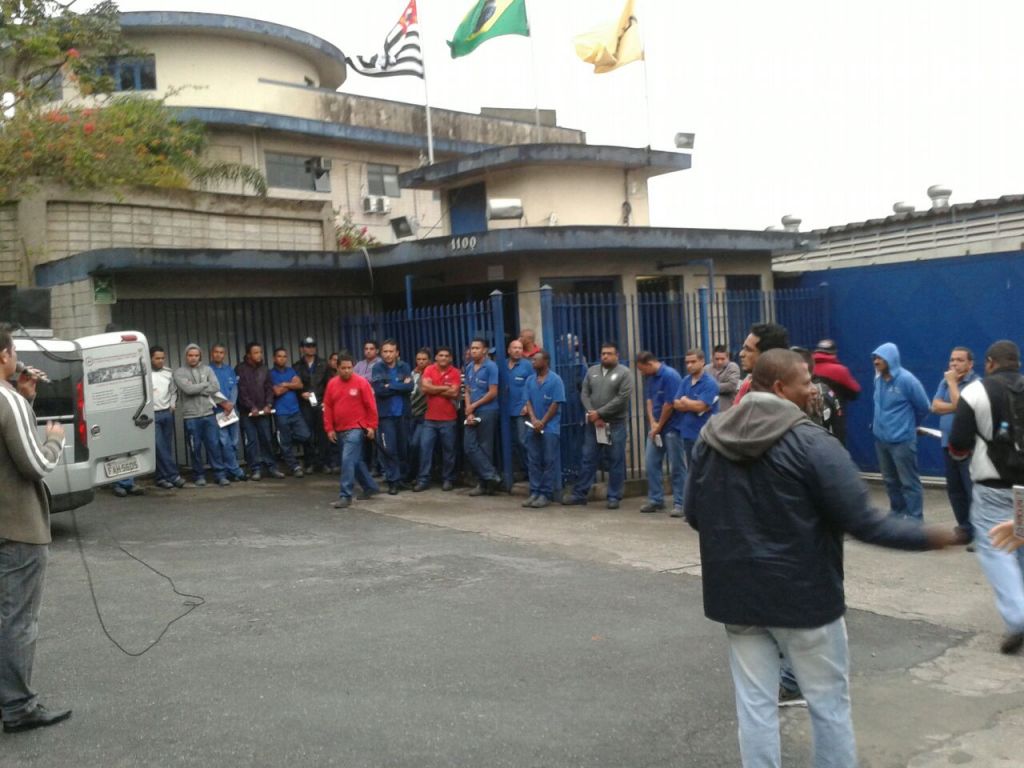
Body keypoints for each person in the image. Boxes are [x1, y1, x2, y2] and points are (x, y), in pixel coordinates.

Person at [684, 348, 957, 767]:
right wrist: (935, 536)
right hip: (805, 598)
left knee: (755, 707)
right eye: (807, 381)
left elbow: (694, 513)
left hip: (736, 597)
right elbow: (864, 522)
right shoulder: (814, 443)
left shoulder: (711, 438)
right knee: (828, 705)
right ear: (780, 388)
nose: (815, 389)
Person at [0, 326, 73, 733]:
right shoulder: (6, 399)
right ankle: (18, 707)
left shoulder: (13, 399)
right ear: (4, 355)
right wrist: (55, 440)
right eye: (13, 351)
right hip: (17, 527)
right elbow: (36, 465)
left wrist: (26, 399)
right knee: (18, 620)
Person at [949, 340, 1024, 654]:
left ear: (990, 363)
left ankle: (1018, 617)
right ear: (1017, 362)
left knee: (996, 549)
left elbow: (958, 442)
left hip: (993, 488)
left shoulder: (975, 392)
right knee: (1020, 540)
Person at [563, 341, 632, 509]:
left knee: (615, 460)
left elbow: (622, 398)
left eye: (609, 353)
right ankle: (580, 494)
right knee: (588, 458)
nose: (605, 356)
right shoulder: (592, 371)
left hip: (614, 424)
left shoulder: (624, 373)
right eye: (603, 354)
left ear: (617, 355)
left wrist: (599, 413)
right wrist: (592, 413)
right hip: (594, 425)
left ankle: (614, 496)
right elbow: (584, 393)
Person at [872, 342, 931, 520]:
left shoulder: (907, 380)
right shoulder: (878, 379)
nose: (876, 361)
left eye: (880, 358)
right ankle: (897, 514)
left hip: (902, 441)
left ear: (891, 359)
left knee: (909, 482)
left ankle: (915, 519)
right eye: (874, 358)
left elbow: (924, 407)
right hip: (881, 440)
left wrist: (910, 425)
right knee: (890, 481)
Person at [932, 346, 980, 547]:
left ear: (970, 364)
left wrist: (952, 384)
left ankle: (980, 534)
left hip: (968, 447)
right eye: (952, 360)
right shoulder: (944, 381)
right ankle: (964, 529)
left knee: (971, 490)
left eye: (959, 360)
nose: (954, 364)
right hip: (948, 443)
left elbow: (963, 410)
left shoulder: (976, 384)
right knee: (955, 489)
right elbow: (935, 406)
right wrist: (955, 404)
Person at [323, 353, 379, 508]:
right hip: (340, 429)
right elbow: (328, 407)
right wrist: (329, 428)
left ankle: (345, 495)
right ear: (337, 368)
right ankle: (369, 486)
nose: (347, 370)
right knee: (355, 460)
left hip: (357, 428)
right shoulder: (332, 384)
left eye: (349, 368)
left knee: (347, 459)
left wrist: (372, 426)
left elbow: (371, 405)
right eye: (343, 368)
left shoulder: (361, 382)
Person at [173, 343, 231, 487]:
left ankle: (220, 475)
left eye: (196, 355)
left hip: (208, 414)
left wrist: (196, 387)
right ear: (186, 356)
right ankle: (199, 476)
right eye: (190, 355)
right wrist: (205, 385)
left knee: (214, 445)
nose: (193, 358)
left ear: (200, 356)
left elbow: (216, 387)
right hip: (191, 416)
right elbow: (188, 390)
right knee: (195, 448)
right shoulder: (179, 372)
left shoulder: (207, 369)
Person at [634, 351, 685, 516]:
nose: (642, 373)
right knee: (651, 462)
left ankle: (680, 502)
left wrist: (659, 425)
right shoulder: (651, 378)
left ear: (649, 364)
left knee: (677, 466)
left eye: (642, 369)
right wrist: (652, 423)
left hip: (672, 427)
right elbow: (649, 401)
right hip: (657, 428)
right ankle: (656, 499)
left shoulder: (670, 376)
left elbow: (669, 404)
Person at [672, 348, 719, 516]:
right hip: (687, 433)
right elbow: (676, 403)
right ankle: (694, 508)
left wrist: (686, 402)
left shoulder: (710, 383)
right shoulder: (685, 381)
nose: (689, 365)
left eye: (693, 362)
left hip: (704, 434)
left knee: (705, 471)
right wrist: (689, 404)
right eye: (687, 362)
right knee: (692, 471)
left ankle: (708, 508)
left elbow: (702, 406)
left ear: (702, 362)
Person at [413, 347, 461, 492]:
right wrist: (444, 388)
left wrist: (434, 388)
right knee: (425, 449)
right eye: (441, 355)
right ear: (436, 357)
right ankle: (423, 479)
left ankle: (448, 479)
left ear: (450, 358)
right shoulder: (429, 370)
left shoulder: (455, 372)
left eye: (446, 355)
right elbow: (425, 388)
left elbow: (454, 392)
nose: (443, 358)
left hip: (449, 418)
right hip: (430, 419)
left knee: (449, 450)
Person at [522, 349, 565, 509]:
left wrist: (543, 422)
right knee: (533, 460)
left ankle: (545, 494)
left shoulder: (555, 380)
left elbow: (556, 403)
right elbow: (527, 401)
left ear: (545, 361)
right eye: (532, 360)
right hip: (533, 426)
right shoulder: (530, 380)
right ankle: (534, 491)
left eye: (536, 360)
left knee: (548, 460)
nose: (532, 362)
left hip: (550, 427)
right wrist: (533, 419)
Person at [235, 343, 284, 481]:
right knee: (251, 441)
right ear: (248, 355)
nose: (259, 355)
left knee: (266, 439)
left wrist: (269, 404)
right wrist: (251, 406)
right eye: (256, 352)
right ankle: (255, 469)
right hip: (247, 413)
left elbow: (269, 388)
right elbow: (241, 391)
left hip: (263, 411)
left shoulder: (264, 368)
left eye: (260, 352)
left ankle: (272, 467)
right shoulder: (240, 369)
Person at [371, 339, 413, 495]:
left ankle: (402, 479)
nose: (388, 354)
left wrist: (391, 385)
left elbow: (410, 386)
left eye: (391, 351)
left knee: (403, 447)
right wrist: (400, 385)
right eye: (385, 351)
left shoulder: (404, 366)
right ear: (381, 353)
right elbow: (379, 390)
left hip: (402, 413)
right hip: (386, 415)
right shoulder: (377, 368)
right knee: (389, 449)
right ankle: (393, 480)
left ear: (397, 353)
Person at [463, 337, 502, 496]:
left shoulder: (491, 367)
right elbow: (467, 390)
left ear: (485, 350)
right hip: (472, 410)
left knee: (485, 447)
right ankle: (491, 475)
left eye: (477, 348)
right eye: (472, 348)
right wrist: (469, 409)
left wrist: (474, 405)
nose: (473, 351)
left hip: (487, 410)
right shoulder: (469, 367)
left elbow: (493, 392)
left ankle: (484, 484)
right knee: (469, 445)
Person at [270, 347, 311, 477]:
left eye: (284, 356)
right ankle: (295, 467)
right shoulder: (271, 374)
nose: (282, 359)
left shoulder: (291, 370)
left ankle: (279, 440)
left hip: (295, 410)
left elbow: (300, 385)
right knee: (286, 442)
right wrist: (291, 384)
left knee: (305, 435)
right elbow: (277, 392)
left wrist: (285, 384)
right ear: (274, 358)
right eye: (279, 356)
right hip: (281, 412)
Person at [209, 343, 247, 483]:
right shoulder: (208, 370)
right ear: (212, 354)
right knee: (224, 442)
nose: (218, 355)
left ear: (224, 354)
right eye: (216, 352)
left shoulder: (229, 369)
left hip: (231, 410)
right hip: (218, 411)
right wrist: (224, 404)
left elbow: (234, 388)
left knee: (234, 442)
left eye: (221, 352)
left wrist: (231, 404)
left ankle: (230, 471)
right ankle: (236, 470)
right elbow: (210, 391)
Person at [813, 339, 861, 444]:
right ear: (834, 353)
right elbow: (855, 392)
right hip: (835, 420)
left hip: (812, 420)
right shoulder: (839, 370)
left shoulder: (808, 368)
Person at [293, 337, 330, 474]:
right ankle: (310, 462)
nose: (311, 348)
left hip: (320, 402)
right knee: (307, 434)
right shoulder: (297, 366)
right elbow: (295, 385)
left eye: (313, 346)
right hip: (305, 403)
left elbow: (329, 384)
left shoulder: (323, 364)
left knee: (323, 433)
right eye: (308, 346)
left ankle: (324, 462)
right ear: (302, 349)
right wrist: (301, 393)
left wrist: (326, 400)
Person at [150, 345, 185, 489]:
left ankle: (161, 478)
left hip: (166, 413)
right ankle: (173, 475)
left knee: (166, 447)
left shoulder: (168, 372)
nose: (160, 361)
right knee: (159, 446)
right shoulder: (144, 374)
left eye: (162, 358)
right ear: (150, 358)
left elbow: (173, 391)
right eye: (157, 358)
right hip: (151, 415)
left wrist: (172, 405)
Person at [735, 323, 789, 405]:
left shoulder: (787, 390)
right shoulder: (747, 386)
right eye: (743, 348)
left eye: (748, 350)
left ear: (767, 355)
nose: (741, 354)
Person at [505, 339, 533, 478]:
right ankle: (520, 471)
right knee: (511, 443)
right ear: (509, 350)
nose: (517, 350)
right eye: (514, 348)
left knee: (523, 441)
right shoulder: (502, 364)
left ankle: (532, 471)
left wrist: (527, 405)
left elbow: (532, 387)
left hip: (521, 410)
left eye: (520, 348)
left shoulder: (527, 365)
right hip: (505, 410)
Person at [405, 348, 431, 485]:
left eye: (424, 359)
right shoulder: (412, 373)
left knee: (417, 444)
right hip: (411, 414)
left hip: (424, 415)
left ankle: (418, 475)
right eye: (419, 359)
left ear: (429, 360)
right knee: (410, 445)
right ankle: (411, 474)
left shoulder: (431, 374)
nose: (421, 362)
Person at [709, 345, 741, 411]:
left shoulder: (732, 367)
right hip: (710, 410)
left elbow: (731, 386)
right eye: (717, 359)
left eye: (722, 359)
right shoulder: (707, 369)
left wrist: (710, 387)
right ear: (712, 358)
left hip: (728, 409)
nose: (719, 362)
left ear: (728, 358)